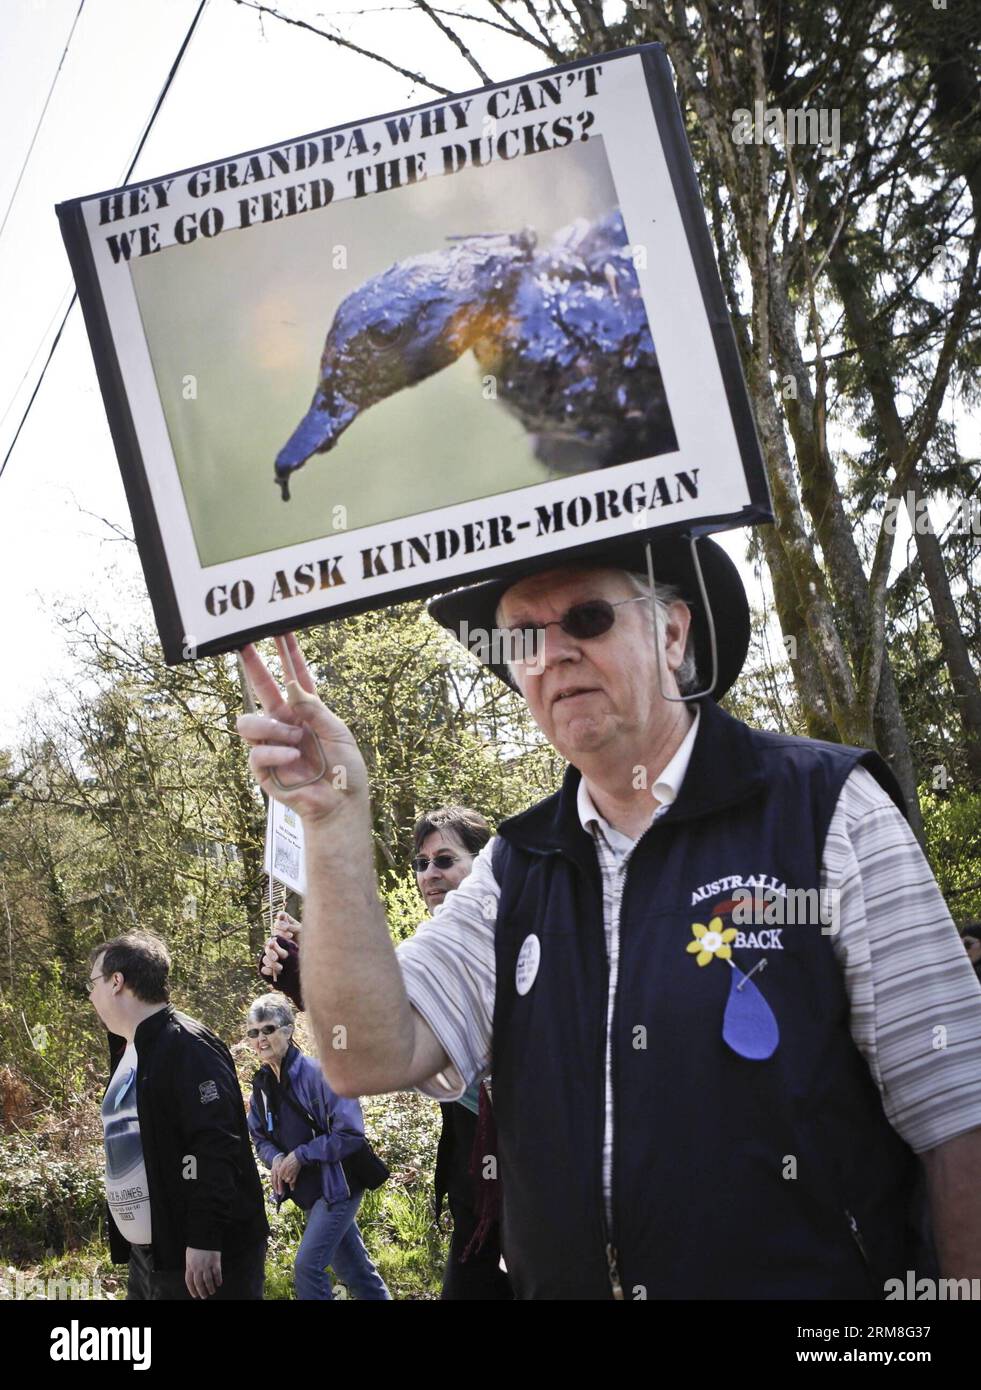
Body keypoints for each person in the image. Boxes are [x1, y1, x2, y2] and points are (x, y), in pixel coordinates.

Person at [236, 534, 981, 1299]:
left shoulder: (823, 806)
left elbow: (956, 1108)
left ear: (671, 633)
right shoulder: (512, 866)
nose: (551, 653)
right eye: (522, 635)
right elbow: (363, 1054)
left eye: (587, 618)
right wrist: (330, 821)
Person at [259, 806, 512, 1300]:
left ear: (483, 865)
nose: (430, 874)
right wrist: (302, 972)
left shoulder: (510, 936)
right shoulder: (430, 951)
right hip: (475, 1179)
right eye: (421, 864)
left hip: (532, 1170)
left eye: (444, 859)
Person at [87, 931, 268, 1300]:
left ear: (117, 982)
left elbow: (217, 1146)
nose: (90, 995)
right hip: (152, 1255)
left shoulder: (189, 1046)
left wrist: (204, 1239)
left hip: (201, 1254)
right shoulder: (130, 1049)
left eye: (93, 983)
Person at [245, 993, 390, 1300]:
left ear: (288, 1030)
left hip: (338, 1188)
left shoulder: (321, 1073)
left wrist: (302, 1155)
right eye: (253, 1032)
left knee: (307, 1266)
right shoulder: (262, 1087)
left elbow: (350, 1134)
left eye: (268, 1029)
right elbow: (259, 1136)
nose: (261, 1039)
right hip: (310, 1193)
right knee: (355, 1271)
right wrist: (279, 1158)